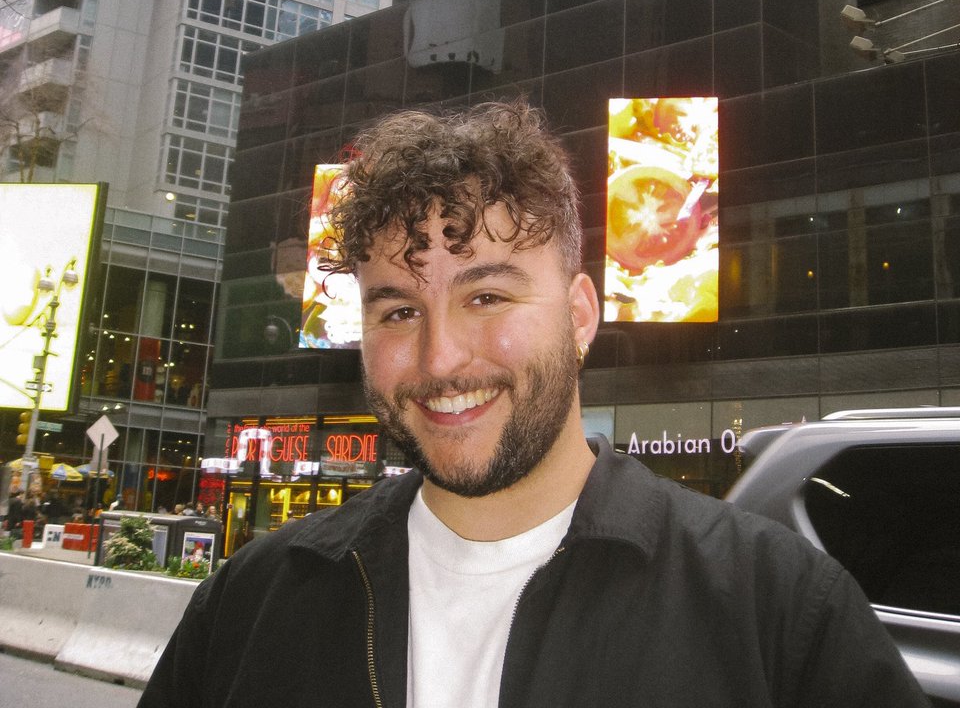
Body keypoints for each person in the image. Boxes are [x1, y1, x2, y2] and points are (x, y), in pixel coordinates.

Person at [140, 102, 930, 707]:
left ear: (580, 316)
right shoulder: (250, 606)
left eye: (486, 294)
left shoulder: (781, 614)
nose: (441, 358)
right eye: (397, 310)